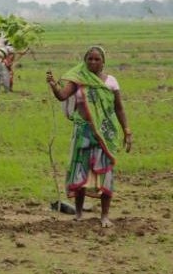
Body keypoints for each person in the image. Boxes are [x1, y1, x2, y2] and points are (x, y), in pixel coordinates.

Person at [46, 46, 132, 228]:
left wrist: (127, 131)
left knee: (105, 173)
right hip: (83, 133)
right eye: (89, 59)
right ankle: (78, 214)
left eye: (97, 59)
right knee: (80, 172)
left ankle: (104, 216)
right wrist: (54, 85)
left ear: (103, 62)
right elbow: (62, 96)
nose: (93, 62)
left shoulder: (111, 82)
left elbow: (119, 108)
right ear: (85, 61)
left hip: (105, 134)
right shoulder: (78, 80)